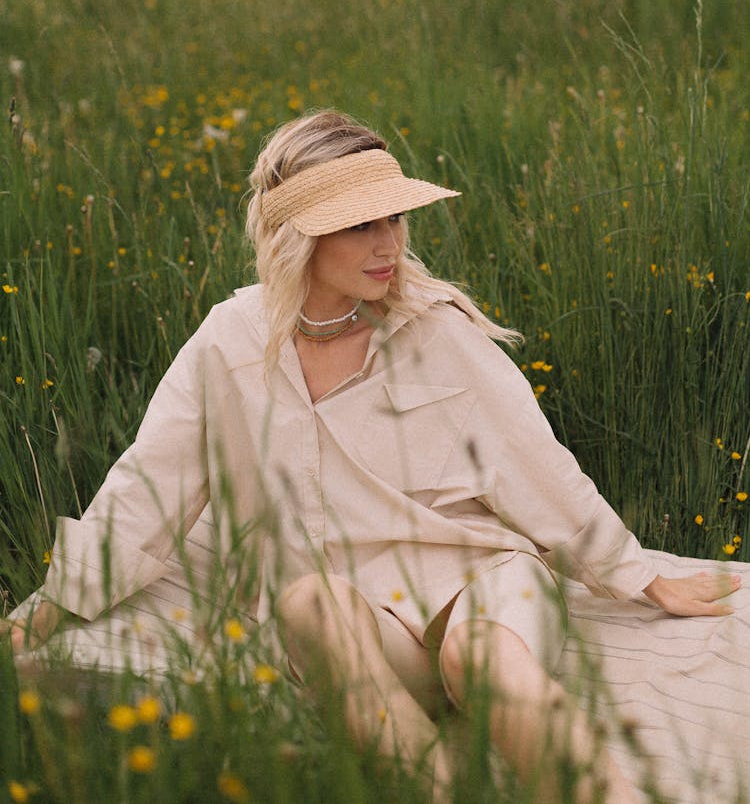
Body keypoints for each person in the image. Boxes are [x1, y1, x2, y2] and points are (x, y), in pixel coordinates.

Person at [2, 109, 740, 803]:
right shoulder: (228, 341)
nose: (389, 243)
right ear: (298, 236)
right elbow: (147, 485)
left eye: (395, 217)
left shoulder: (435, 330)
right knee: (304, 602)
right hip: (362, 619)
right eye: (360, 224)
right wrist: (51, 606)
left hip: (481, 581)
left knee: (480, 660)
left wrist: (638, 575)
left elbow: (536, 463)